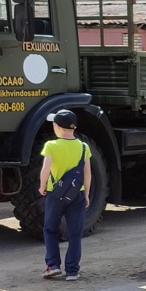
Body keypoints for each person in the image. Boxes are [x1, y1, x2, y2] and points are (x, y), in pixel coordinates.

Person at [38, 109, 92, 281]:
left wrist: (42, 186)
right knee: (75, 233)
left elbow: (45, 169)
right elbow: (87, 173)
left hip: (55, 194)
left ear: (57, 127)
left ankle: (53, 266)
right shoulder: (84, 147)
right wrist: (86, 193)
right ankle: (72, 271)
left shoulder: (51, 146)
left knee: (50, 229)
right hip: (77, 194)